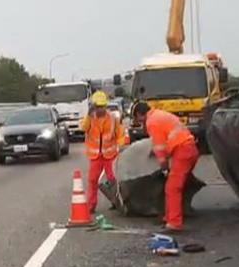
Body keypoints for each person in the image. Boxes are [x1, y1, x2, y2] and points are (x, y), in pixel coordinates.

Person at [131, 101, 199, 232]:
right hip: (190, 148)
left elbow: (160, 147)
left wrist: (164, 166)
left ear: (140, 114)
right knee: (179, 184)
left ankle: (174, 223)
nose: (139, 123)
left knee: (172, 187)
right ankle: (171, 215)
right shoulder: (159, 115)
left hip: (183, 150)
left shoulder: (152, 122)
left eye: (137, 119)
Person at [80, 91, 125, 214]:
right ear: (93, 107)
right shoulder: (90, 118)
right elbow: (83, 128)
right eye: (98, 107)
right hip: (95, 156)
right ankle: (91, 205)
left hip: (110, 155)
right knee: (93, 180)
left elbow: (120, 134)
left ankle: (116, 201)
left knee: (112, 180)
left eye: (103, 106)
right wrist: (89, 115)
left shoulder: (112, 118)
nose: (101, 109)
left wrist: (121, 147)